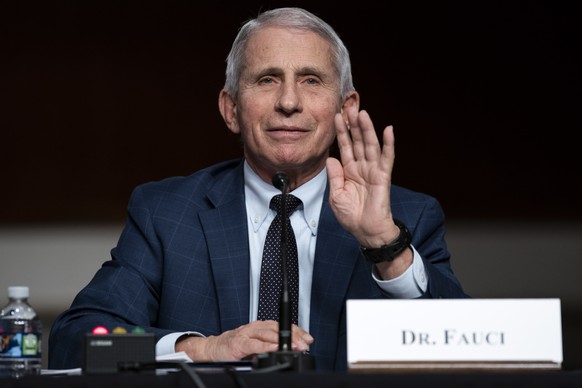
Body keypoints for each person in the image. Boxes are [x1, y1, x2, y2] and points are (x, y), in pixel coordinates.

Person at [48, 7, 468, 371]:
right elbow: (75, 341)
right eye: (267, 79)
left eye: (310, 80)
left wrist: (384, 245)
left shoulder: (406, 220)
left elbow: (473, 354)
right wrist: (201, 349)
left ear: (346, 109)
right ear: (231, 109)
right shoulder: (167, 214)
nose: (289, 101)